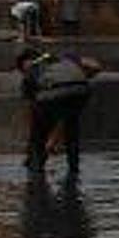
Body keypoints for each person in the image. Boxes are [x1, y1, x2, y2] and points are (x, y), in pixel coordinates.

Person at [16, 47, 100, 176]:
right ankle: (74, 169)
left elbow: (33, 113)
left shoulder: (31, 72)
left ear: (25, 62)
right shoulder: (63, 57)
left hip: (54, 94)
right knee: (72, 128)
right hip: (82, 89)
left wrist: (40, 143)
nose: (23, 72)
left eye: (21, 69)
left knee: (38, 134)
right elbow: (95, 66)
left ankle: (36, 169)